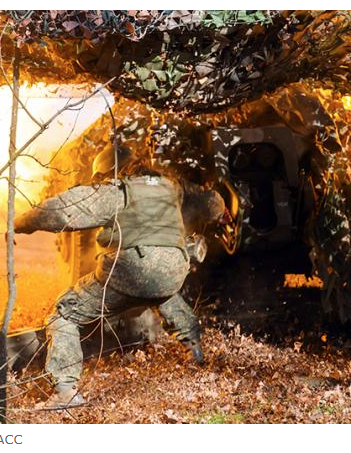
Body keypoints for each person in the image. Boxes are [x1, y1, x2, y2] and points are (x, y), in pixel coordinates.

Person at [14, 143, 225, 409]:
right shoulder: (173, 187)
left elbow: (63, 210)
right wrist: (221, 210)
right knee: (163, 293)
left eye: (103, 177)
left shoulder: (117, 192)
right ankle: (196, 352)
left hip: (131, 270)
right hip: (175, 268)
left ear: (111, 171)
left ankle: (66, 392)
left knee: (64, 315)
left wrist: (20, 223)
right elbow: (212, 204)